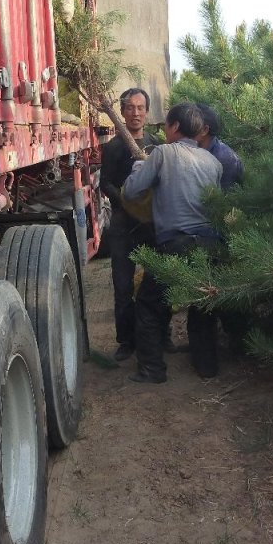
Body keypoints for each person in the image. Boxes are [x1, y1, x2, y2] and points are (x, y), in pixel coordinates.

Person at [123, 102, 223, 383]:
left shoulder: (163, 154)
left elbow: (132, 191)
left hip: (174, 245)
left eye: (166, 125)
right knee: (203, 306)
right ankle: (207, 367)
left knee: (149, 306)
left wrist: (139, 165)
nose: (165, 131)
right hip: (208, 245)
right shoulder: (213, 163)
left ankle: (152, 369)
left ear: (175, 127)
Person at [100, 88, 158, 361]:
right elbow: (104, 183)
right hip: (123, 225)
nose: (135, 113)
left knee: (156, 281)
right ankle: (126, 341)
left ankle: (160, 335)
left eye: (140, 107)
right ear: (122, 112)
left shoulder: (156, 145)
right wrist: (124, 200)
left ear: (147, 112)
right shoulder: (112, 147)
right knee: (123, 286)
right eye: (130, 108)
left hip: (150, 224)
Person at [196, 104, 244, 189]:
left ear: (204, 130)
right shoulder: (195, 151)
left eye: (190, 125)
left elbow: (223, 199)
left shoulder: (225, 159)